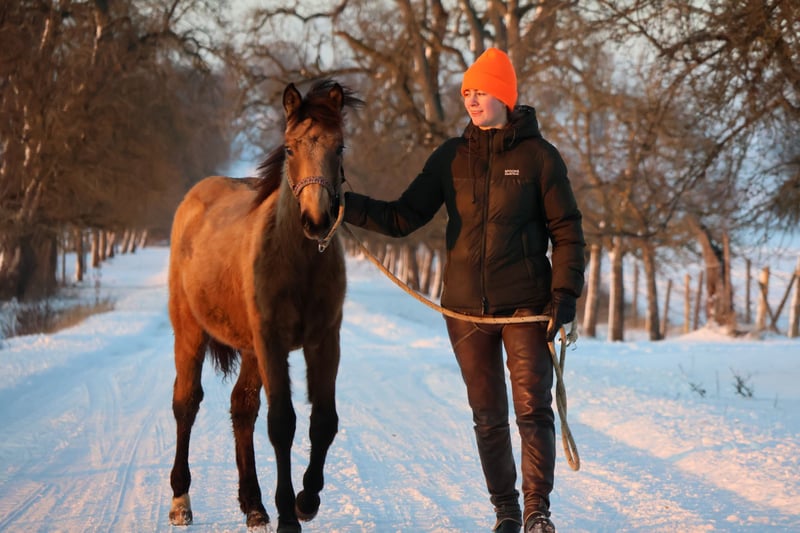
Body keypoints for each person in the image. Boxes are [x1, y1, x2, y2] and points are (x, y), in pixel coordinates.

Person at [343, 47, 585, 533]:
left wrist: (564, 296)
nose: (472, 100)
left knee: (532, 410)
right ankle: (506, 512)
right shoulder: (450, 157)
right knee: (488, 415)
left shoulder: (539, 158)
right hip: (464, 313)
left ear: (505, 96)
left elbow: (567, 231)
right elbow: (403, 216)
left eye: (482, 91)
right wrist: (343, 205)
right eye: (467, 92)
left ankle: (537, 511)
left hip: (525, 309)